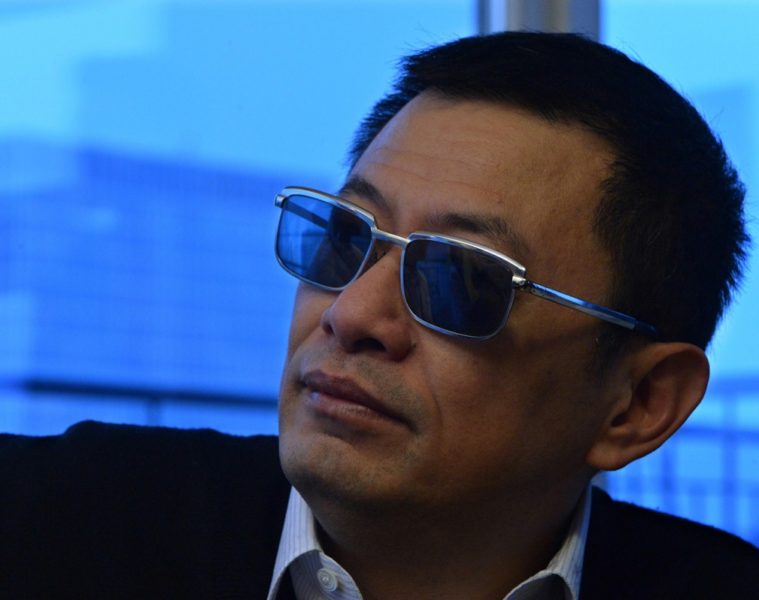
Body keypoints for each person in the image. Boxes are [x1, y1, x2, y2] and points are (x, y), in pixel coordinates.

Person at [1, 31, 757, 600]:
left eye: (461, 279)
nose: (351, 313)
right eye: (343, 239)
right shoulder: (56, 521)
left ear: (638, 403)